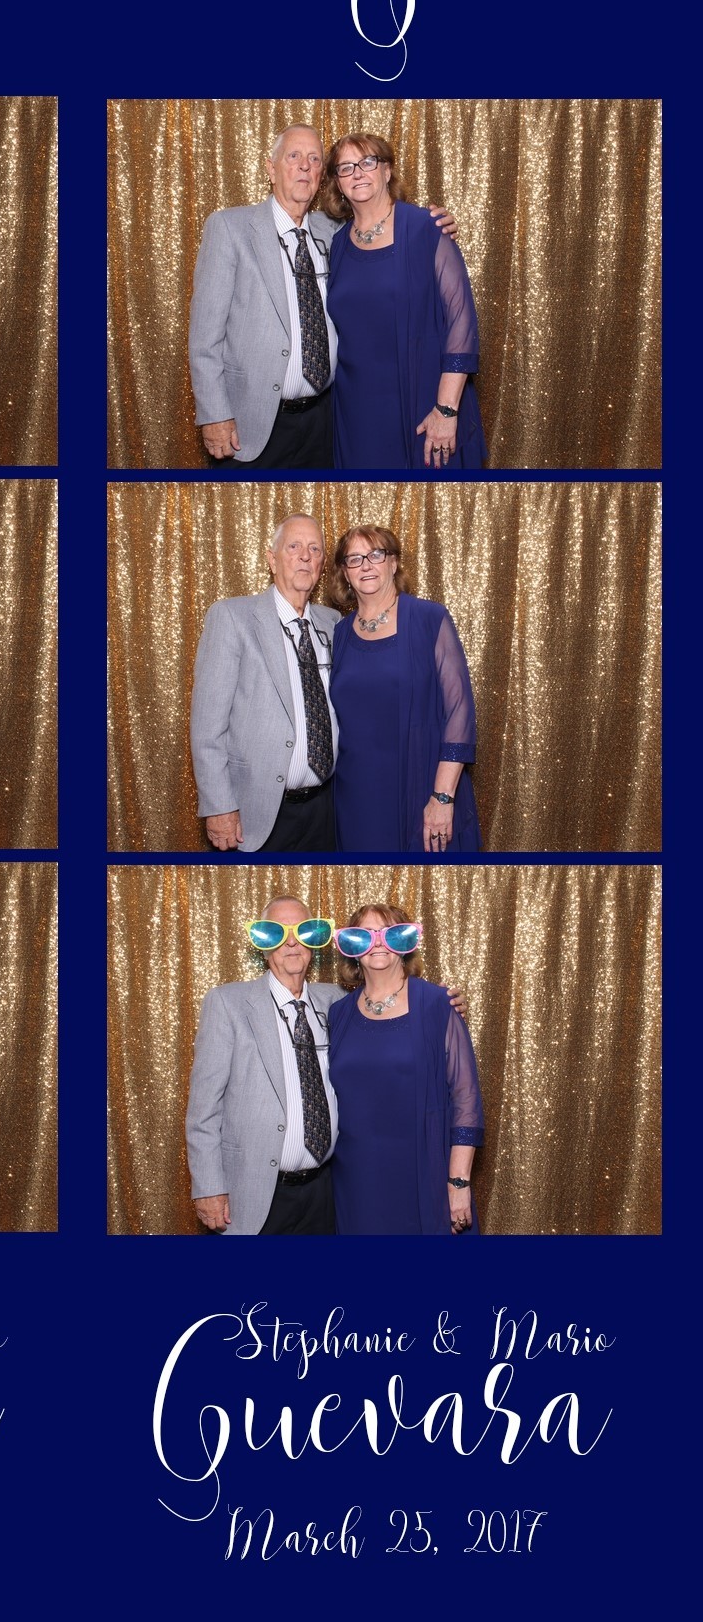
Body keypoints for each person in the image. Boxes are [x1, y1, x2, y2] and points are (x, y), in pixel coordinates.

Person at [188, 124, 455, 469]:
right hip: (250, 426)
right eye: (294, 156)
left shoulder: (334, 231)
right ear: (271, 169)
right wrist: (214, 414)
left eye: (314, 159)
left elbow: (381, 225)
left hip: (325, 422)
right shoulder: (230, 228)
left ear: (322, 176)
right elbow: (204, 338)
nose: (305, 166)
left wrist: (432, 225)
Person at [321, 133, 486, 470]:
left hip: (422, 401)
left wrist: (446, 409)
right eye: (346, 167)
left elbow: (461, 319)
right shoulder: (337, 244)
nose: (358, 173)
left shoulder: (425, 228)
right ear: (338, 183)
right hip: (356, 413)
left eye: (368, 162)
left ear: (387, 171)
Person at [186, 896, 346, 1234]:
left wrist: (444, 1005)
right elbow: (204, 1109)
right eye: (277, 932)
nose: (291, 942)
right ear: (263, 945)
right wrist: (208, 1186)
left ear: (314, 942)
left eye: (302, 931)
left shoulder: (335, 1000)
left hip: (325, 1191)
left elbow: (386, 1006)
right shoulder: (227, 1003)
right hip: (255, 1193)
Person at [327, 904, 483, 1234]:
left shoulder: (437, 1004)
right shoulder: (338, 1013)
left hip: (423, 1172)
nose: (378, 943)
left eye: (390, 934)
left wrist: (458, 1181)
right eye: (364, 935)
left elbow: (466, 1098)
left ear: (406, 943)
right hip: (355, 1179)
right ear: (350, 948)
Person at [190, 514, 340, 853]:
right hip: (254, 815)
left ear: (321, 565)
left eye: (315, 549)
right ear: (272, 560)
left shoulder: (333, 623)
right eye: (294, 546)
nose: (305, 556)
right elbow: (207, 727)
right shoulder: (232, 617)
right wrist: (218, 806)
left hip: (325, 811)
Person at [327, 524, 480, 853]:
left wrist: (442, 797)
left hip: (421, 786)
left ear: (393, 563)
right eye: (354, 559)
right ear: (345, 572)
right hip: (356, 799)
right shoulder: (339, 634)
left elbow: (460, 711)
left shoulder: (429, 618)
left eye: (376, 554)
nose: (366, 565)